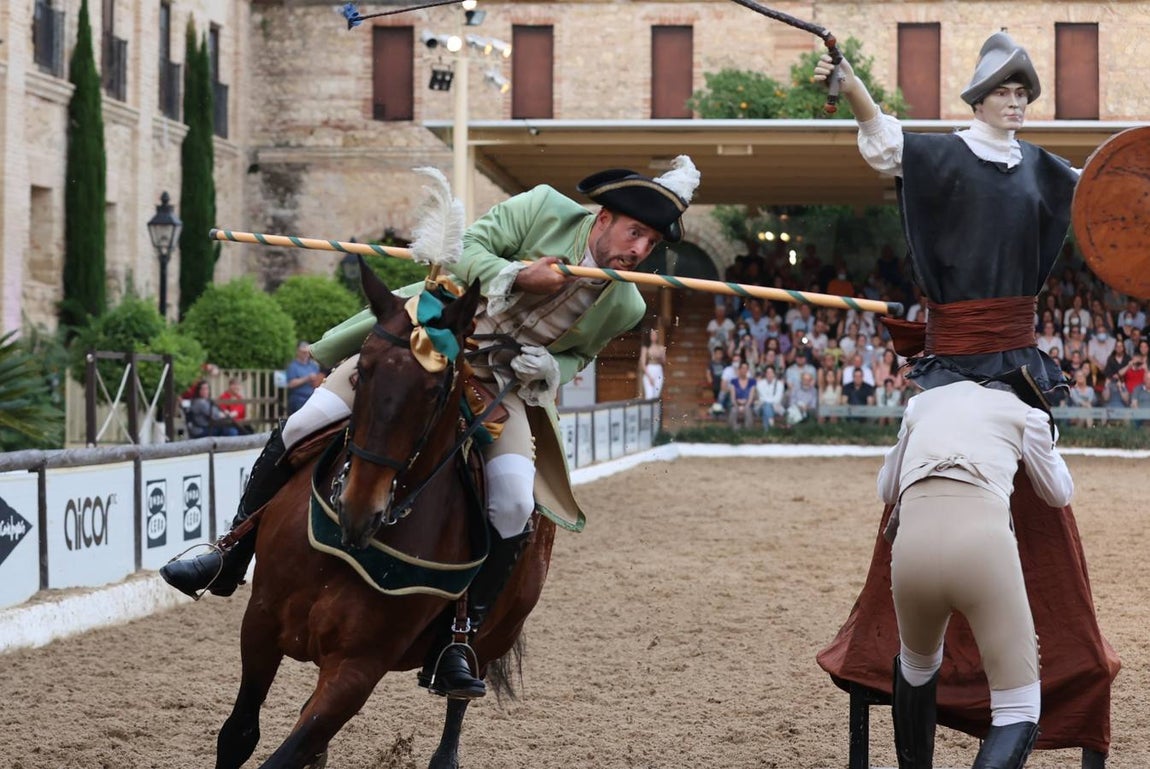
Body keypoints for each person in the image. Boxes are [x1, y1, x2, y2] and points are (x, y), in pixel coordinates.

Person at [161, 155, 702, 699]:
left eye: (651, 243)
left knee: (515, 502)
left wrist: (549, 369)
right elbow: (464, 251)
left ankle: (459, 640)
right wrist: (516, 274)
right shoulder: (541, 205)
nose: (639, 251)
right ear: (604, 218)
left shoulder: (627, 303)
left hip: (500, 387)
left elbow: (577, 357)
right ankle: (230, 552)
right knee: (307, 421)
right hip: (429, 345)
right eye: (635, 233)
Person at [813, 31, 1118, 761]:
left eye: (1023, 93)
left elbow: (1115, 203)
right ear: (979, 97)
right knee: (914, 507)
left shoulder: (1048, 171)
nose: (1016, 102)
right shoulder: (941, 154)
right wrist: (851, 87)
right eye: (1005, 92)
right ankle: (887, 669)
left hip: (1009, 363)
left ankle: (1071, 666)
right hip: (955, 363)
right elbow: (885, 143)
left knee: (1042, 537)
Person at [877, 380, 1073, 769]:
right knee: (1018, 706)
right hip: (982, 546)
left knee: (916, 668)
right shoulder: (1026, 414)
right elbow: (1058, 493)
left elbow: (886, 488)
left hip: (912, 546)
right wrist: (1050, 437)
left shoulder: (920, 404)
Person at [285, 340, 323, 416]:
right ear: (298, 352)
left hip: (312, 399)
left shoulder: (314, 366)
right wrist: (307, 378)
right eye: (303, 352)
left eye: (307, 352)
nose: (305, 354)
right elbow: (291, 384)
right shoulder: (293, 366)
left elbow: (319, 382)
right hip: (298, 400)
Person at [726, 361, 757, 430]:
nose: (744, 370)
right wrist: (738, 406)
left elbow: (751, 397)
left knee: (747, 410)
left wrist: (745, 406)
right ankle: (733, 431)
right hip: (736, 404)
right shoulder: (733, 381)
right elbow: (733, 398)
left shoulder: (752, 381)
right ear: (739, 370)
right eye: (742, 368)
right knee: (734, 410)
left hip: (748, 404)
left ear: (748, 370)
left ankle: (748, 431)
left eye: (746, 368)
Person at [638, 326, 667, 400]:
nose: (654, 336)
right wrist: (649, 376)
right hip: (649, 370)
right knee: (649, 395)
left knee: (656, 396)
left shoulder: (660, 348)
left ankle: (655, 411)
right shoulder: (646, 348)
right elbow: (643, 363)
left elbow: (664, 362)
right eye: (652, 335)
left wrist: (662, 355)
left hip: (658, 370)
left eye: (655, 334)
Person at [755, 365, 785, 430]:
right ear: (765, 374)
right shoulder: (760, 383)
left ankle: (767, 430)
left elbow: (778, 399)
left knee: (767, 407)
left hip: (776, 407)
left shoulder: (780, 384)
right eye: (768, 373)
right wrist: (770, 402)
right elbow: (762, 398)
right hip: (760, 407)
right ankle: (771, 425)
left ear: (774, 374)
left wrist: (768, 402)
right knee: (766, 406)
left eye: (771, 372)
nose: (769, 374)